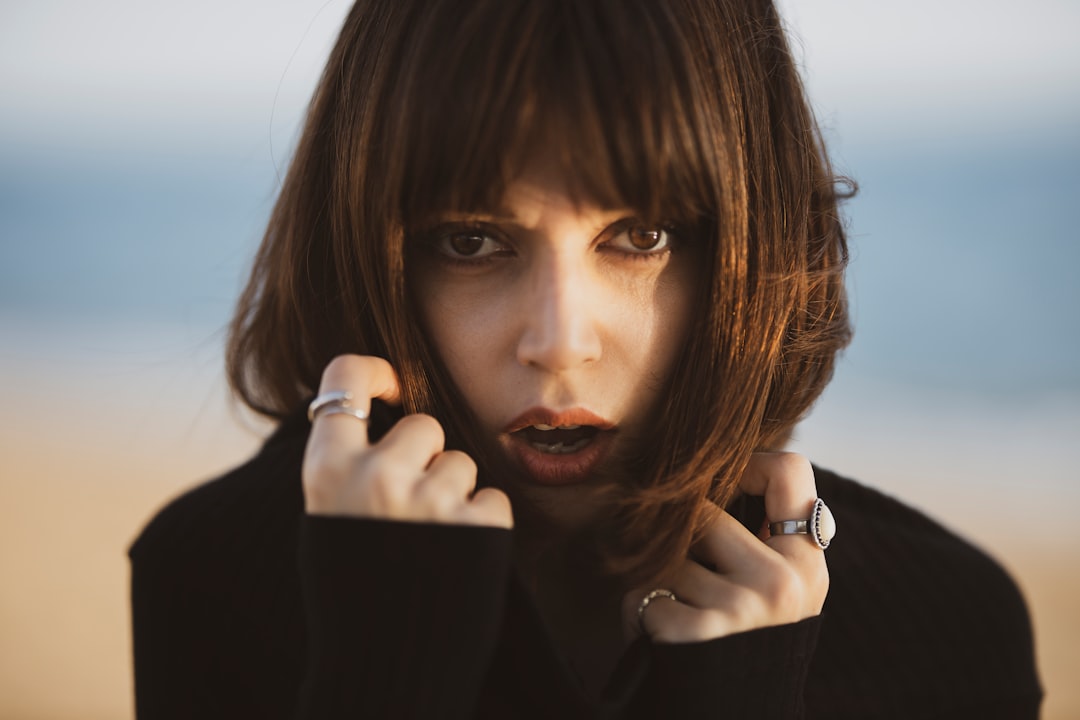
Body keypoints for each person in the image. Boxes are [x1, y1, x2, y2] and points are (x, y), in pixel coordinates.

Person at [129, 0, 1043, 717]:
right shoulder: (213, 577)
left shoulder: (951, 629)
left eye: (641, 235)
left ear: (750, 246)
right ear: (371, 252)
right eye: (472, 242)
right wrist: (382, 678)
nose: (560, 344)